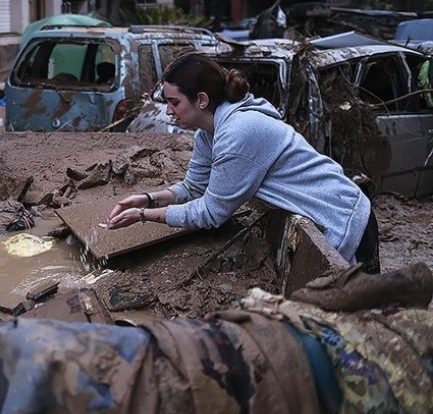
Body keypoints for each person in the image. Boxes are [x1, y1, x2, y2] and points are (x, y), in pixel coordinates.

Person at [107, 53, 379, 272]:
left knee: (364, 321)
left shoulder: (239, 131)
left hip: (344, 218)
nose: (168, 111)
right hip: (329, 212)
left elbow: (211, 213)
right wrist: (147, 198)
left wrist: (144, 217)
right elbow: (193, 187)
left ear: (201, 99)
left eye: (173, 102)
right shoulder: (208, 134)